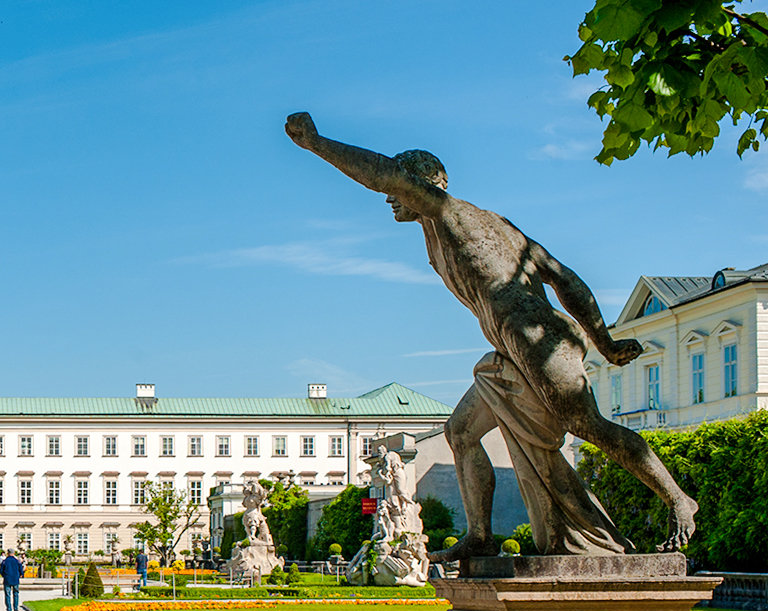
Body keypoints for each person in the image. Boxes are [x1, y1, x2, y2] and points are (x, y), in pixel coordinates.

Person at [285, 111, 697, 557]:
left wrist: (317, 143)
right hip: (510, 343)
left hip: (536, 337)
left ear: (429, 184)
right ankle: (480, 538)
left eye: (399, 187)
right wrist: (604, 342)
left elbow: (564, 279)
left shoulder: (451, 213)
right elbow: (566, 279)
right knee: (459, 432)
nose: (390, 197)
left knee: (587, 425)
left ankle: (678, 499)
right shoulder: (484, 226)